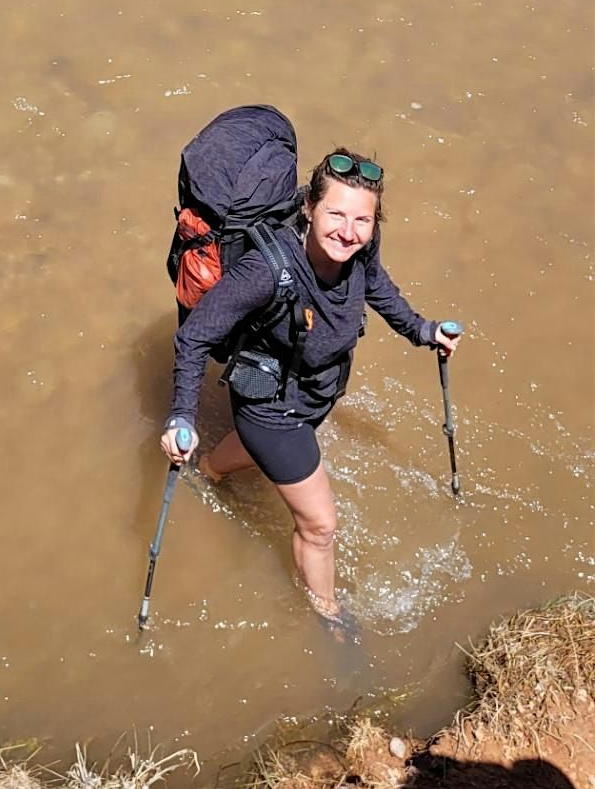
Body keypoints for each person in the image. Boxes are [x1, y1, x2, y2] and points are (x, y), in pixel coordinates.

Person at [160, 148, 462, 640]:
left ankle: (210, 472)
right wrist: (180, 417)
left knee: (257, 457)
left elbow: (374, 282)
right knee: (320, 525)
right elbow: (193, 336)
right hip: (271, 407)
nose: (349, 231)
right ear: (309, 209)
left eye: (363, 219)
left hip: (316, 388)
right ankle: (328, 616)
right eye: (336, 214)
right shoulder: (264, 271)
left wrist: (420, 330)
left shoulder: (360, 245)